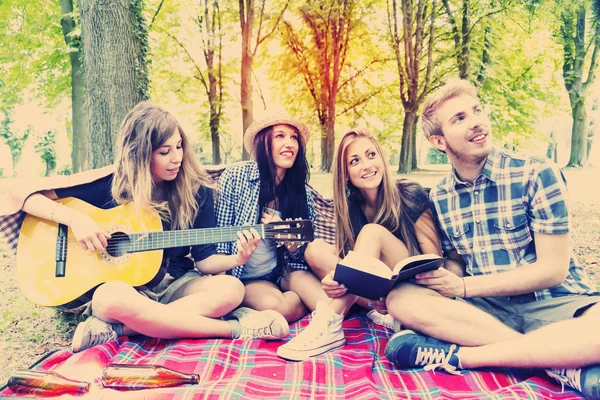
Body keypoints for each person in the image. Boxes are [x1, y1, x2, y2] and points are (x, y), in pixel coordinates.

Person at [384, 80, 600, 400]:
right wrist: (446, 276)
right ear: (438, 141)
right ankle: (558, 360)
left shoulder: (537, 172)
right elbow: (458, 259)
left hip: (555, 300)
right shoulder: (441, 195)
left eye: (477, 110)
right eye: (459, 118)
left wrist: (464, 287)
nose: (476, 121)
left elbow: (553, 270)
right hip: (487, 311)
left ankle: (461, 357)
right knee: (400, 300)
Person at [20, 102, 289, 353]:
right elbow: (24, 197)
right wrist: (77, 220)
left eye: (179, 147)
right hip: (127, 289)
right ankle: (235, 328)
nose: (177, 158)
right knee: (109, 298)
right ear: (139, 153)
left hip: (177, 284)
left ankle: (120, 329)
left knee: (231, 289)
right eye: (164, 151)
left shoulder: (198, 191)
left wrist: (238, 257)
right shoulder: (114, 186)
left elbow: (205, 262)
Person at [276, 128, 442, 361]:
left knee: (372, 233)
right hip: (377, 294)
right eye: (355, 161)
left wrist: (351, 280)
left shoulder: (409, 194)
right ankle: (378, 312)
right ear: (345, 174)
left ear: (381, 159)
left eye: (371, 155)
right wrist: (336, 280)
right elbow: (350, 258)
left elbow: (434, 263)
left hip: (415, 286)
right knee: (315, 250)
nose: (366, 165)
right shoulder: (351, 207)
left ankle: (330, 323)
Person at [214, 112, 316, 324]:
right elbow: (220, 241)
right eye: (280, 136)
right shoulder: (236, 177)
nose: (289, 143)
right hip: (246, 278)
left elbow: (301, 257)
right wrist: (222, 294)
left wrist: (291, 244)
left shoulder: (302, 193)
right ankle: (244, 310)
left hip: (282, 272)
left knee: (323, 301)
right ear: (263, 143)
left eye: (294, 137)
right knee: (283, 308)